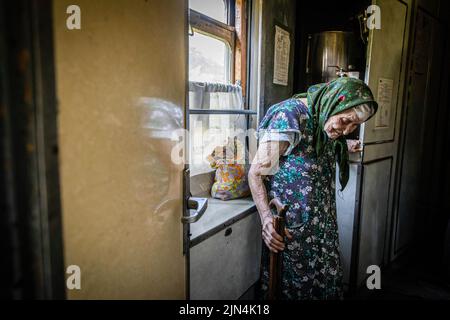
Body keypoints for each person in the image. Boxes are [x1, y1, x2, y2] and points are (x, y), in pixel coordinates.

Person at [248, 77, 378, 300]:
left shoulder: (324, 119)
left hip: (322, 226)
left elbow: (310, 151)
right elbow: (256, 172)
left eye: (355, 125)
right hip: (292, 229)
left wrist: (345, 144)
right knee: (292, 289)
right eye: (345, 121)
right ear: (332, 103)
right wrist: (267, 220)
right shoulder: (290, 116)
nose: (347, 130)